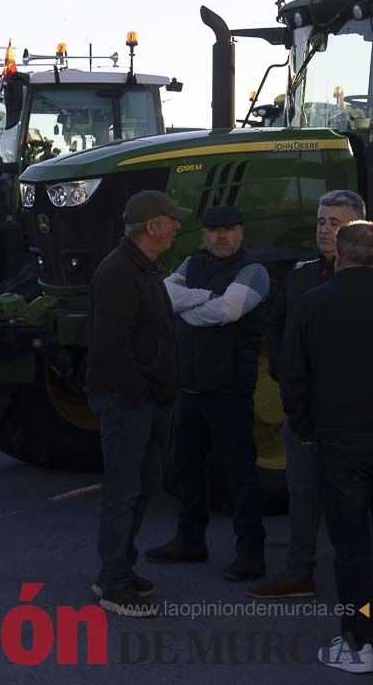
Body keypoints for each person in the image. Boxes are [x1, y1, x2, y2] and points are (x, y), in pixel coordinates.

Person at [250, 189, 367, 599]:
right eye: (320, 221)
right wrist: (286, 375)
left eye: (334, 223)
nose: (323, 229)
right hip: (304, 414)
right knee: (303, 493)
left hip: (352, 419)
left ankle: (359, 597)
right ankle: (300, 571)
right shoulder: (301, 276)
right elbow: (276, 325)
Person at [146, 205, 269, 581]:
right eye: (215, 230)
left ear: (242, 232)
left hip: (230, 390)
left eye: (230, 229)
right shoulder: (191, 262)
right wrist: (207, 298)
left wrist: (189, 311)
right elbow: (164, 296)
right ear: (204, 235)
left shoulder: (255, 270)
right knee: (187, 468)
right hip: (190, 387)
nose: (221, 236)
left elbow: (229, 311)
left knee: (240, 475)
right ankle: (190, 541)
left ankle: (251, 554)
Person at [84, 190, 186, 617]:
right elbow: (112, 346)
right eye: (171, 219)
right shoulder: (120, 272)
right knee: (124, 490)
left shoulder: (139, 268)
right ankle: (114, 582)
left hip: (142, 399)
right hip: (128, 401)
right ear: (152, 227)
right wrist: (142, 396)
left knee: (139, 487)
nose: (178, 226)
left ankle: (118, 568)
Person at [280, 221, 373, 672]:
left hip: (338, 441)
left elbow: (292, 376)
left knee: (353, 549)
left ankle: (360, 642)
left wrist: (305, 427)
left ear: (339, 255)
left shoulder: (314, 303)